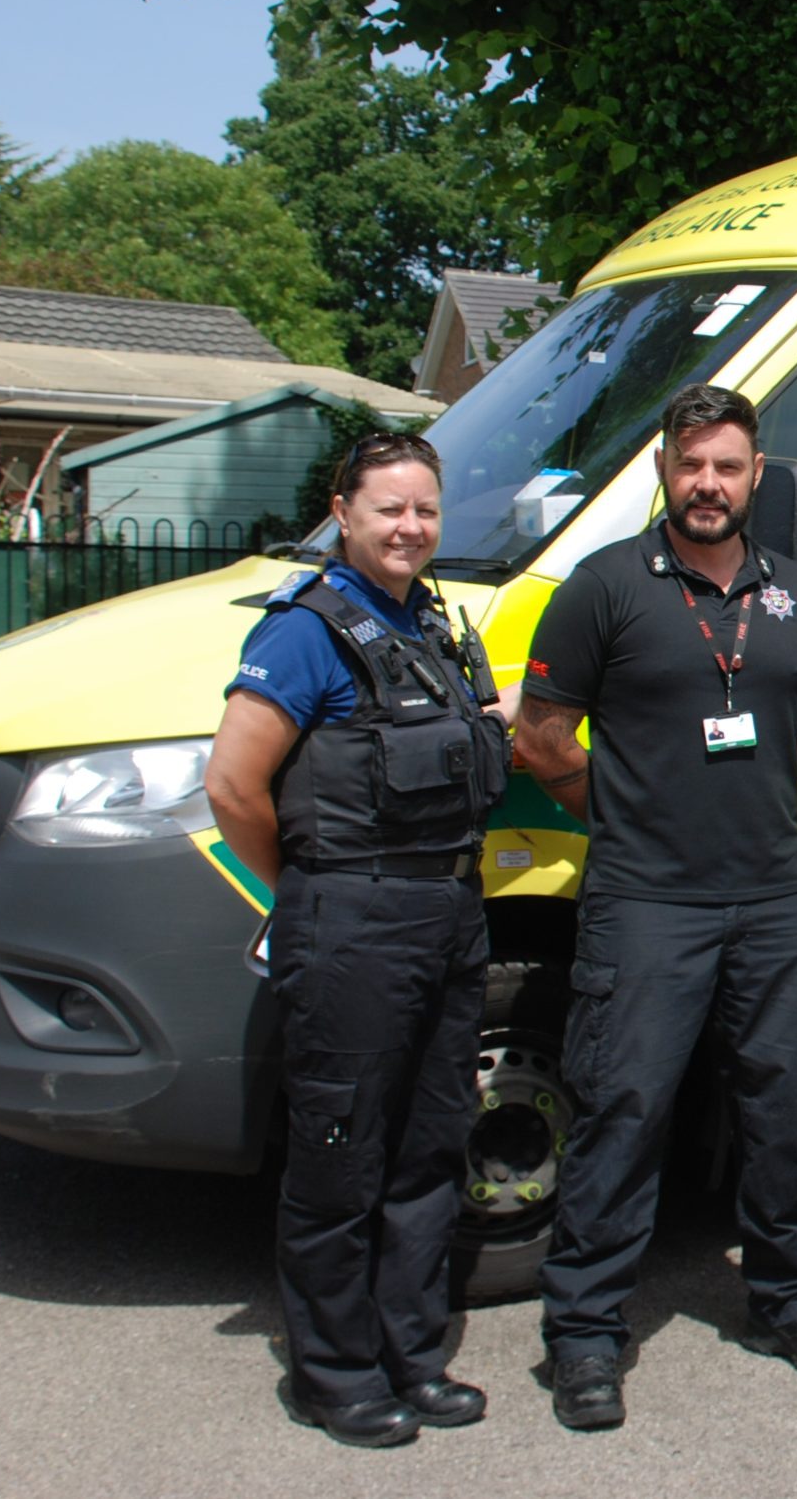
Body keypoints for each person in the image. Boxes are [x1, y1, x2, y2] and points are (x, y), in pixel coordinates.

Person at [517, 385, 797, 1431]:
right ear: (665, 469)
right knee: (623, 1111)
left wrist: (743, 807)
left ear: (758, 475)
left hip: (770, 898)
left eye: (727, 466)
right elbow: (542, 736)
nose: (707, 484)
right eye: (690, 464)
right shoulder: (603, 587)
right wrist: (619, 812)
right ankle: (583, 1334)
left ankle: (791, 1300)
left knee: (774, 1113)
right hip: (646, 898)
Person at [208, 431, 513, 1448]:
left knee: (430, 1149)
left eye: (424, 508)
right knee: (341, 1152)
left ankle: (409, 1355)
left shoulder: (428, 624)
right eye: (389, 508)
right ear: (343, 512)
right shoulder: (307, 634)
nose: (410, 526)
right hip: (351, 921)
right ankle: (331, 1372)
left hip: (445, 916)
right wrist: (306, 889)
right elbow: (232, 785)